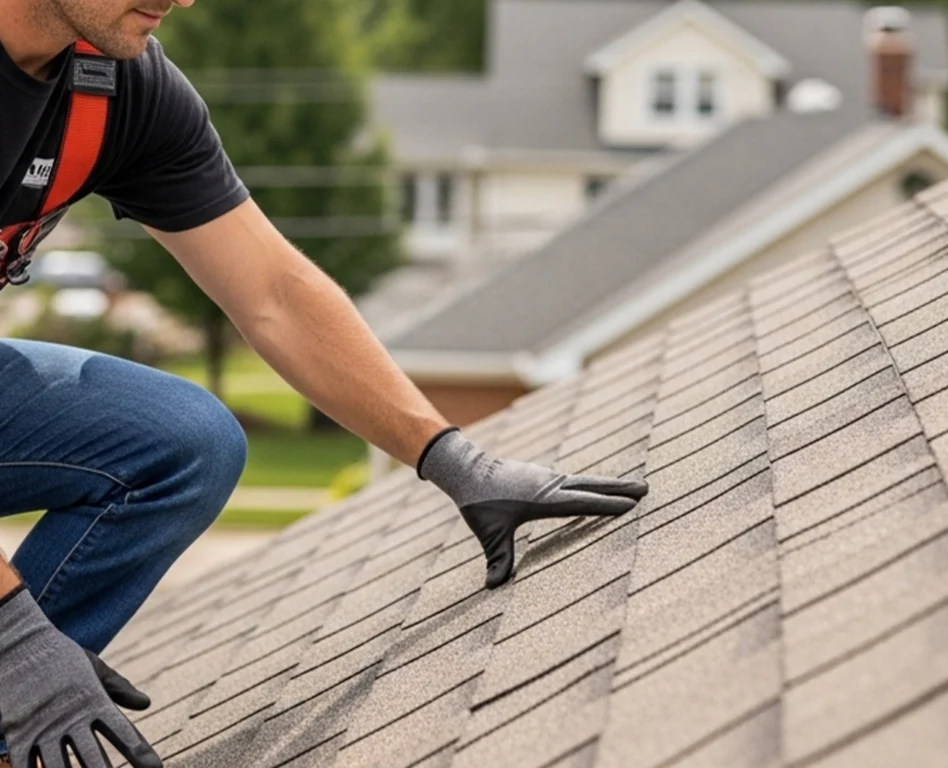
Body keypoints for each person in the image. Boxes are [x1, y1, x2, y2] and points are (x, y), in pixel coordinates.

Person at [0, 2, 650, 767]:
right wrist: (14, 638)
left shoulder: (118, 89)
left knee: (186, 443)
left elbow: (273, 292)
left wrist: (454, 460)